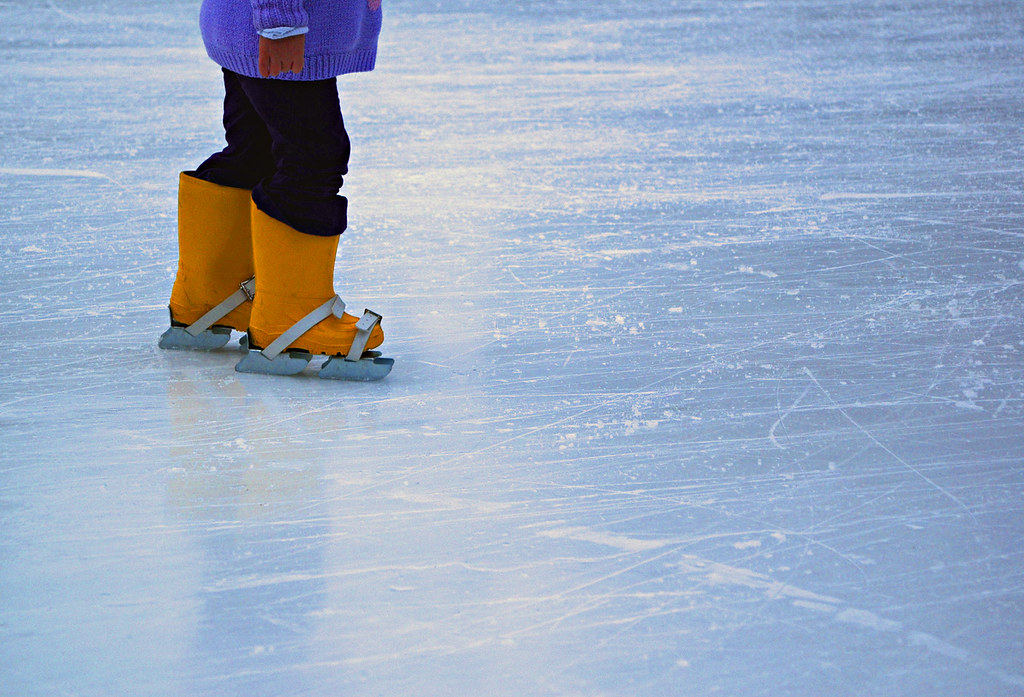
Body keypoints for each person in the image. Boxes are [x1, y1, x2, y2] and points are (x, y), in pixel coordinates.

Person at [159, 0, 392, 381]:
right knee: (313, 159)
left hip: (255, 26)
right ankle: (290, 313)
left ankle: (211, 296)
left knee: (255, 153)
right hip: (281, 28)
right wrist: (279, 23)